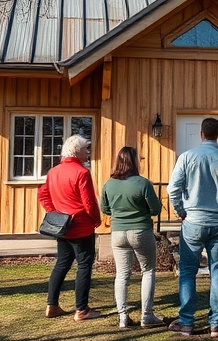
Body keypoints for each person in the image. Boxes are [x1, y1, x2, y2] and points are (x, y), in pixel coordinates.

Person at [167, 117, 218, 338]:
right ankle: (215, 324)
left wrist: (181, 212)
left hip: (193, 221)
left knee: (188, 272)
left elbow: (173, 189)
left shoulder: (187, 157)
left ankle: (186, 322)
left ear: (202, 134)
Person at [100, 146, 165, 329]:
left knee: (122, 274)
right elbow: (155, 209)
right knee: (148, 270)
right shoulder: (143, 183)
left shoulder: (109, 184)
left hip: (117, 233)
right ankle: (147, 315)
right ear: (134, 161)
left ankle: (122, 316)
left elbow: (105, 209)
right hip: (140, 231)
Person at [39, 134, 102, 321]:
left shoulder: (53, 172)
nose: (88, 153)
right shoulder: (82, 172)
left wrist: (55, 213)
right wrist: (96, 219)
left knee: (62, 264)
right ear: (77, 151)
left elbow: (43, 195)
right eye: (85, 149)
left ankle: (52, 305)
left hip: (62, 228)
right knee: (84, 266)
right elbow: (89, 202)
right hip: (81, 227)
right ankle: (81, 310)